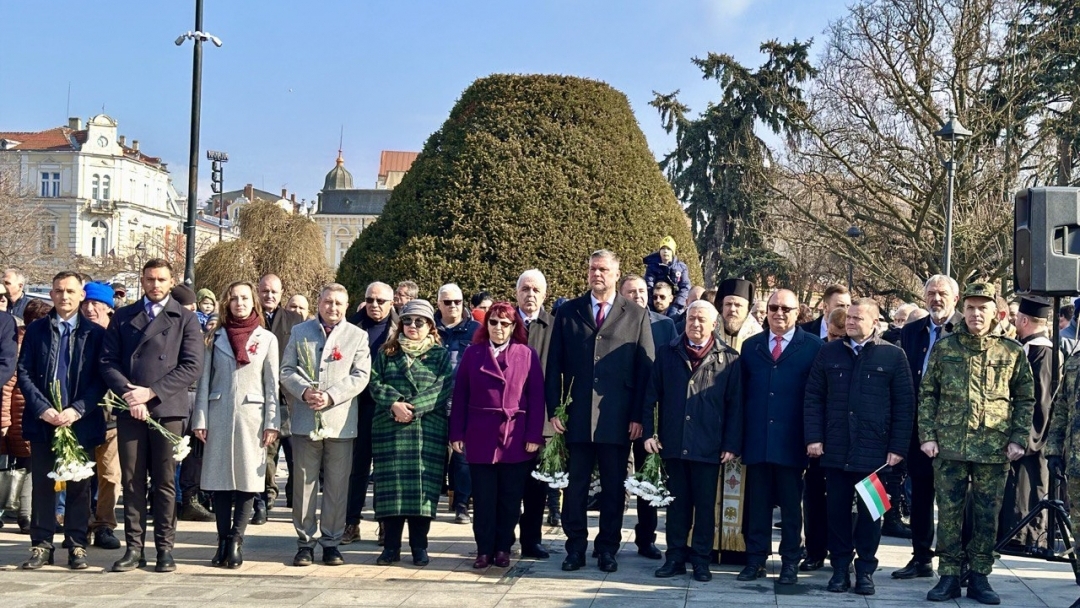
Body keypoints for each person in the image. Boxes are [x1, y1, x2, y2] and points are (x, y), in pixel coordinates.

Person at [920, 283, 1033, 604]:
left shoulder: (1010, 351)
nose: (975, 314)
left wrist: (1018, 437)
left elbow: (1025, 398)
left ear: (995, 312)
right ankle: (949, 576)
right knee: (950, 515)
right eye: (970, 307)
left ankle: (980, 576)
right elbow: (928, 394)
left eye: (982, 308)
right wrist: (927, 435)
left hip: (993, 449)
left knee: (986, 516)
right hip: (950, 446)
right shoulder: (945, 348)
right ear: (963, 310)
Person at [546, 249, 654, 574]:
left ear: (616, 273)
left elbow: (644, 371)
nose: (597, 274)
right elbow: (553, 366)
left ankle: (608, 548)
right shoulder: (568, 312)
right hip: (577, 418)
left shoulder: (635, 314)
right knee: (576, 487)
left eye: (604, 269)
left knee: (613, 488)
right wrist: (555, 409)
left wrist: (638, 417)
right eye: (593, 269)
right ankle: (575, 547)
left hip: (617, 419)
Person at [804, 298, 914, 595]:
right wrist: (814, 438)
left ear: (875, 323)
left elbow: (905, 406)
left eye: (857, 318)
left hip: (876, 456)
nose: (850, 322)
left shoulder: (893, 356)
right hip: (836, 452)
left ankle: (865, 570)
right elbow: (813, 398)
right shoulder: (828, 353)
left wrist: (898, 448)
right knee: (836, 512)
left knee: (872, 514)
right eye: (848, 317)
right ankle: (839, 569)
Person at [101, 259, 204, 573]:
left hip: (166, 410)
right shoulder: (123, 316)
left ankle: (164, 548)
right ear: (142, 281)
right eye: (149, 279)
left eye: (161, 279)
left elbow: (191, 366)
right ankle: (134, 548)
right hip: (129, 408)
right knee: (131, 481)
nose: (155, 285)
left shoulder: (185, 319)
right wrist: (130, 393)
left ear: (171, 281)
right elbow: (107, 361)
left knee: (164, 482)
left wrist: (151, 392)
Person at [645, 300, 742, 582]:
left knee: (704, 506)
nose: (695, 324)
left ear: (714, 324)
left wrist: (731, 443)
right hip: (673, 442)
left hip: (708, 444)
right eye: (691, 319)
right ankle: (674, 556)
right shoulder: (668, 353)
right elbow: (652, 396)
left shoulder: (729, 359)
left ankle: (701, 560)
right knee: (677, 505)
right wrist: (651, 432)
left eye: (702, 320)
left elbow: (735, 406)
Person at [17, 271, 106, 569]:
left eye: (70, 291)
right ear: (51, 294)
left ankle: (76, 543)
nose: (64, 296)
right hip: (44, 420)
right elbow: (25, 372)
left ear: (82, 295)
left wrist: (78, 409)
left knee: (79, 486)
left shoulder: (95, 334)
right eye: (58, 290)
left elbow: (99, 380)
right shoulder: (37, 330)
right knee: (43, 483)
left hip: (80, 421)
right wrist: (43, 409)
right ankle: (42, 544)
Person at [280, 283, 371, 567]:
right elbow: (286, 370)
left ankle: (331, 541)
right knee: (304, 485)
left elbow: (361, 375)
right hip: (306, 419)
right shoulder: (300, 332)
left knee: (336, 485)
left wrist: (331, 396)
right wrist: (305, 391)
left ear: (346, 306)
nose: (333, 308)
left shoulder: (357, 336)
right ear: (318, 303)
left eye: (338, 304)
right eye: (328, 302)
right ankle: (304, 542)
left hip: (340, 421)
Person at [192, 281, 280, 569]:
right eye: (233, 299)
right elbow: (204, 381)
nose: (239, 303)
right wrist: (200, 418)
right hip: (219, 413)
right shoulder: (214, 337)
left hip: (252, 417)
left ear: (253, 301)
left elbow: (272, 385)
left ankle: (236, 540)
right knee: (219, 483)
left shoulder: (266, 338)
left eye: (244, 298)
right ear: (226, 303)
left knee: (247, 480)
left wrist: (271, 422)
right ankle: (220, 539)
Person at [738, 289, 823, 584]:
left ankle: (790, 561)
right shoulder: (751, 347)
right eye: (773, 307)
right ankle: (755, 559)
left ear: (797, 312)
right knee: (757, 504)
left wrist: (814, 437)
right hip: (758, 438)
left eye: (785, 309)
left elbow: (817, 397)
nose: (778, 313)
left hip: (792, 441)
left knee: (790, 508)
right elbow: (740, 396)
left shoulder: (813, 347)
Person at [450, 302, 545, 568]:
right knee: (483, 498)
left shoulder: (526, 354)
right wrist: (457, 432)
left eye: (505, 323)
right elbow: (460, 396)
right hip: (481, 435)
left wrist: (533, 435)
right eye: (494, 322)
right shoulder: (473, 354)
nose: (499, 328)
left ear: (514, 327)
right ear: (486, 325)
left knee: (510, 498)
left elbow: (536, 399)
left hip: (515, 435)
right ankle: (484, 549)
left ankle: (503, 548)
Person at [369, 299, 453, 567]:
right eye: (407, 320)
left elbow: (443, 389)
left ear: (430, 325)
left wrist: (413, 409)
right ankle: (391, 547)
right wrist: (394, 403)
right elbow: (373, 381)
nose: (412, 326)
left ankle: (420, 547)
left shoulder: (440, 355)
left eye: (419, 321)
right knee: (392, 493)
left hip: (426, 430)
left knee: (422, 495)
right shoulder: (386, 352)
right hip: (390, 428)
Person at [893, 275, 964, 581]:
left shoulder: (966, 328)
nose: (936, 298)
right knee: (921, 494)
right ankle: (921, 557)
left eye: (942, 293)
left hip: (955, 429)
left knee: (955, 499)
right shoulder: (911, 331)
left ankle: (956, 562)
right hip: (919, 427)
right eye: (931, 293)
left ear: (955, 298)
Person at [618, 274, 676, 559]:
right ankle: (610, 537)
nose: (639, 296)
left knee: (647, 481)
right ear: (621, 295)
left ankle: (646, 539)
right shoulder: (612, 323)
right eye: (631, 292)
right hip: (616, 415)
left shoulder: (665, 325)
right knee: (616, 480)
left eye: (643, 291)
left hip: (651, 416)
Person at [797, 284, 852, 569]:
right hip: (818, 433)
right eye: (832, 336)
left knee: (856, 499)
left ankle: (855, 553)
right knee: (815, 493)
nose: (836, 342)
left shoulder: (871, 351)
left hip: (853, 439)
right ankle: (815, 550)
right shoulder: (805, 337)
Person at [342, 282, 399, 545]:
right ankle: (351, 522)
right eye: (370, 299)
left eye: (381, 301)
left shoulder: (401, 328)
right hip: (359, 406)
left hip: (388, 408)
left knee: (386, 470)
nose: (375, 305)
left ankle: (385, 525)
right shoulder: (351, 326)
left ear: (392, 303)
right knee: (358, 468)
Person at [998, 296, 1053, 550]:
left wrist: (1026, 438)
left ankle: (1027, 536)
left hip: (1032, 436)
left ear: (1023, 319)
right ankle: (1019, 534)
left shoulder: (1040, 351)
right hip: (1026, 433)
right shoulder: (1032, 348)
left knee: (1029, 487)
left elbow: (1041, 399)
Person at [515, 269, 560, 556]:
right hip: (507, 418)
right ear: (516, 292)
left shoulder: (555, 327)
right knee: (507, 486)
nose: (530, 295)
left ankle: (531, 541)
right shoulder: (504, 322)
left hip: (541, 418)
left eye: (536, 290)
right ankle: (501, 538)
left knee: (536, 487)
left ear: (545, 295)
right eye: (525, 289)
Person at [254, 274, 304, 525]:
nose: (269, 296)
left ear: (281, 293)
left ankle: (297, 502)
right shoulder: (251, 319)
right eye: (264, 291)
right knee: (265, 454)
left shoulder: (295, 320)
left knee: (296, 455)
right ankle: (262, 501)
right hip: (261, 397)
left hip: (291, 399)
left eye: (274, 291)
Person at [81, 282, 123, 549]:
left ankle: (105, 524)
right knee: (81, 473)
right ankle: (81, 524)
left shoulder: (118, 335)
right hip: (81, 414)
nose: (90, 308)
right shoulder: (79, 333)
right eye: (86, 303)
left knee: (110, 474)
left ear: (108, 307)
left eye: (96, 303)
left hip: (112, 418)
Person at [435, 283, 480, 525]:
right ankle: (429, 503)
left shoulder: (476, 330)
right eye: (447, 302)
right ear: (439, 303)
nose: (453, 306)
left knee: (463, 457)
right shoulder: (427, 328)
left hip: (465, 403)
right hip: (433, 403)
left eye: (458, 301)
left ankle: (461, 504)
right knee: (432, 456)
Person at [171, 284, 215, 525]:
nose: (191, 312)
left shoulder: (198, 333)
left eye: (193, 308)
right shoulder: (167, 330)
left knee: (195, 452)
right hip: (174, 398)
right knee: (171, 453)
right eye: (186, 307)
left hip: (197, 395)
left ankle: (189, 499)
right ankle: (168, 500)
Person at [2, 300, 46, 535]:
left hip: (23, 412)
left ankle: (24, 514)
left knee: (24, 466)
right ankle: (25, 515)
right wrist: (4, 420)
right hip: (19, 414)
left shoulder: (19, 339)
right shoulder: (21, 343)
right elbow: (8, 385)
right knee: (27, 466)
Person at [643, 236, 690, 318]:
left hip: (676, 303)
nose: (665, 251)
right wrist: (651, 303)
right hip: (655, 302)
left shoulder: (682, 267)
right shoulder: (652, 266)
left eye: (668, 249)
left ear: (673, 252)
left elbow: (685, 286)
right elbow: (649, 284)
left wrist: (677, 304)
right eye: (663, 248)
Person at [716, 278, 763, 352]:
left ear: (747, 309)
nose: (732, 309)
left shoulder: (758, 337)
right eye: (728, 304)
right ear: (722, 306)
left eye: (738, 305)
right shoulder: (710, 330)